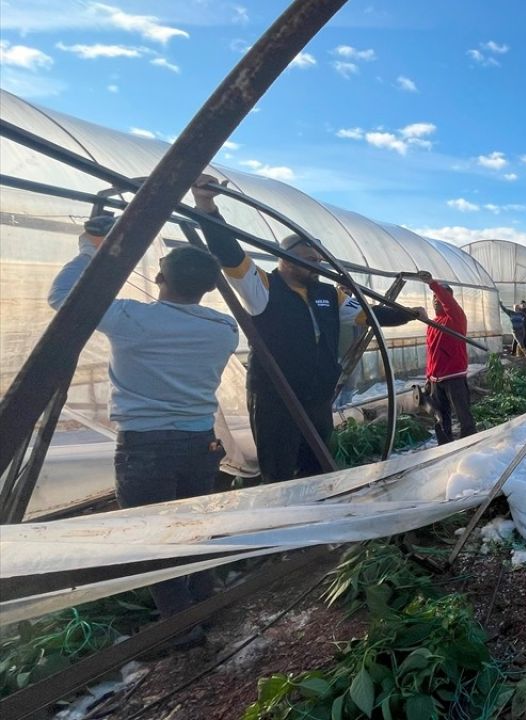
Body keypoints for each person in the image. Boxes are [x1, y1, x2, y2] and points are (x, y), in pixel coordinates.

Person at [48, 211, 238, 643]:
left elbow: (63, 296)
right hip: (199, 442)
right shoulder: (224, 328)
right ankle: (203, 604)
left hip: (146, 447)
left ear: (158, 278)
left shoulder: (132, 320)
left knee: (153, 540)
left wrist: (91, 247)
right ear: (210, 287)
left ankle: (181, 627)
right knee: (195, 528)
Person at [193, 175, 427, 482]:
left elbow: (368, 315)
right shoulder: (263, 288)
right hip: (276, 396)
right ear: (285, 260)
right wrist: (206, 206)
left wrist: (408, 315)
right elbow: (230, 254)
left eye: (318, 261)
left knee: (317, 463)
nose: (315, 266)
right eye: (307, 260)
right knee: (278, 468)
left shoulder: (328, 295)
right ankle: (282, 518)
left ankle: (318, 513)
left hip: (317, 395)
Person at [419, 271, 476, 443]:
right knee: (441, 417)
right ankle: (444, 445)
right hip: (436, 380)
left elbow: (449, 303)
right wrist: (429, 376)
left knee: (462, 415)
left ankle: (469, 445)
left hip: (454, 377)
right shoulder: (433, 324)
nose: (436, 301)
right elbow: (432, 352)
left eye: (439, 298)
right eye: (434, 299)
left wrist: (433, 285)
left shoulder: (456, 319)